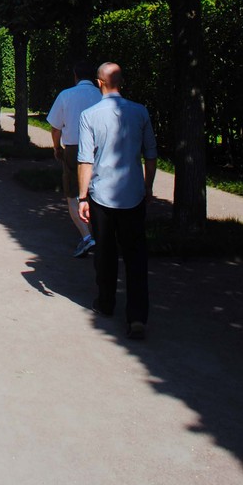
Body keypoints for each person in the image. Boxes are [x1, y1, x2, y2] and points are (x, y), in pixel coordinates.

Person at [77, 62, 158, 340]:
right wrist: (148, 187)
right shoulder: (140, 111)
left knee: (105, 253)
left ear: (100, 83)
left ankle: (107, 302)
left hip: (101, 195)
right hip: (133, 194)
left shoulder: (89, 115)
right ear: (121, 81)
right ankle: (137, 317)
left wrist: (82, 196)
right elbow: (151, 154)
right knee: (136, 257)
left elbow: (85, 160)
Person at [47, 61, 102, 257]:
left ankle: (87, 237)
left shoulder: (66, 95)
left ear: (75, 76)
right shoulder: (102, 95)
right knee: (98, 192)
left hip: (73, 149)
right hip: (99, 150)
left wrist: (56, 147)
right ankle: (102, 234)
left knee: (72, 194)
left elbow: (55, 128)